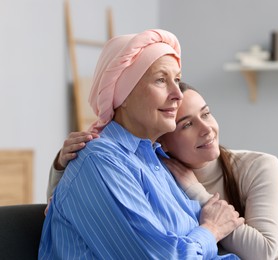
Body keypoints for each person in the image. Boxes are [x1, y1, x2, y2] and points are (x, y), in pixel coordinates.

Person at [39, 29, 245, 259]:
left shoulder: (155, 160)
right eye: (161, 80)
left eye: (176, 80)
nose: (178, 94)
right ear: (122, 95)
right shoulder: (100, 160)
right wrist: (211, 230)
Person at [47, 81, 278, 259]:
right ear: (162, 140)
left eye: (207, 114)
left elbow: (265, 252)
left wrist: (196, 192)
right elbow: (72, 206)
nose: (207, 129)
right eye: (187, 124)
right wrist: (62, 162)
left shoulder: (258, 166)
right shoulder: (154, 173)